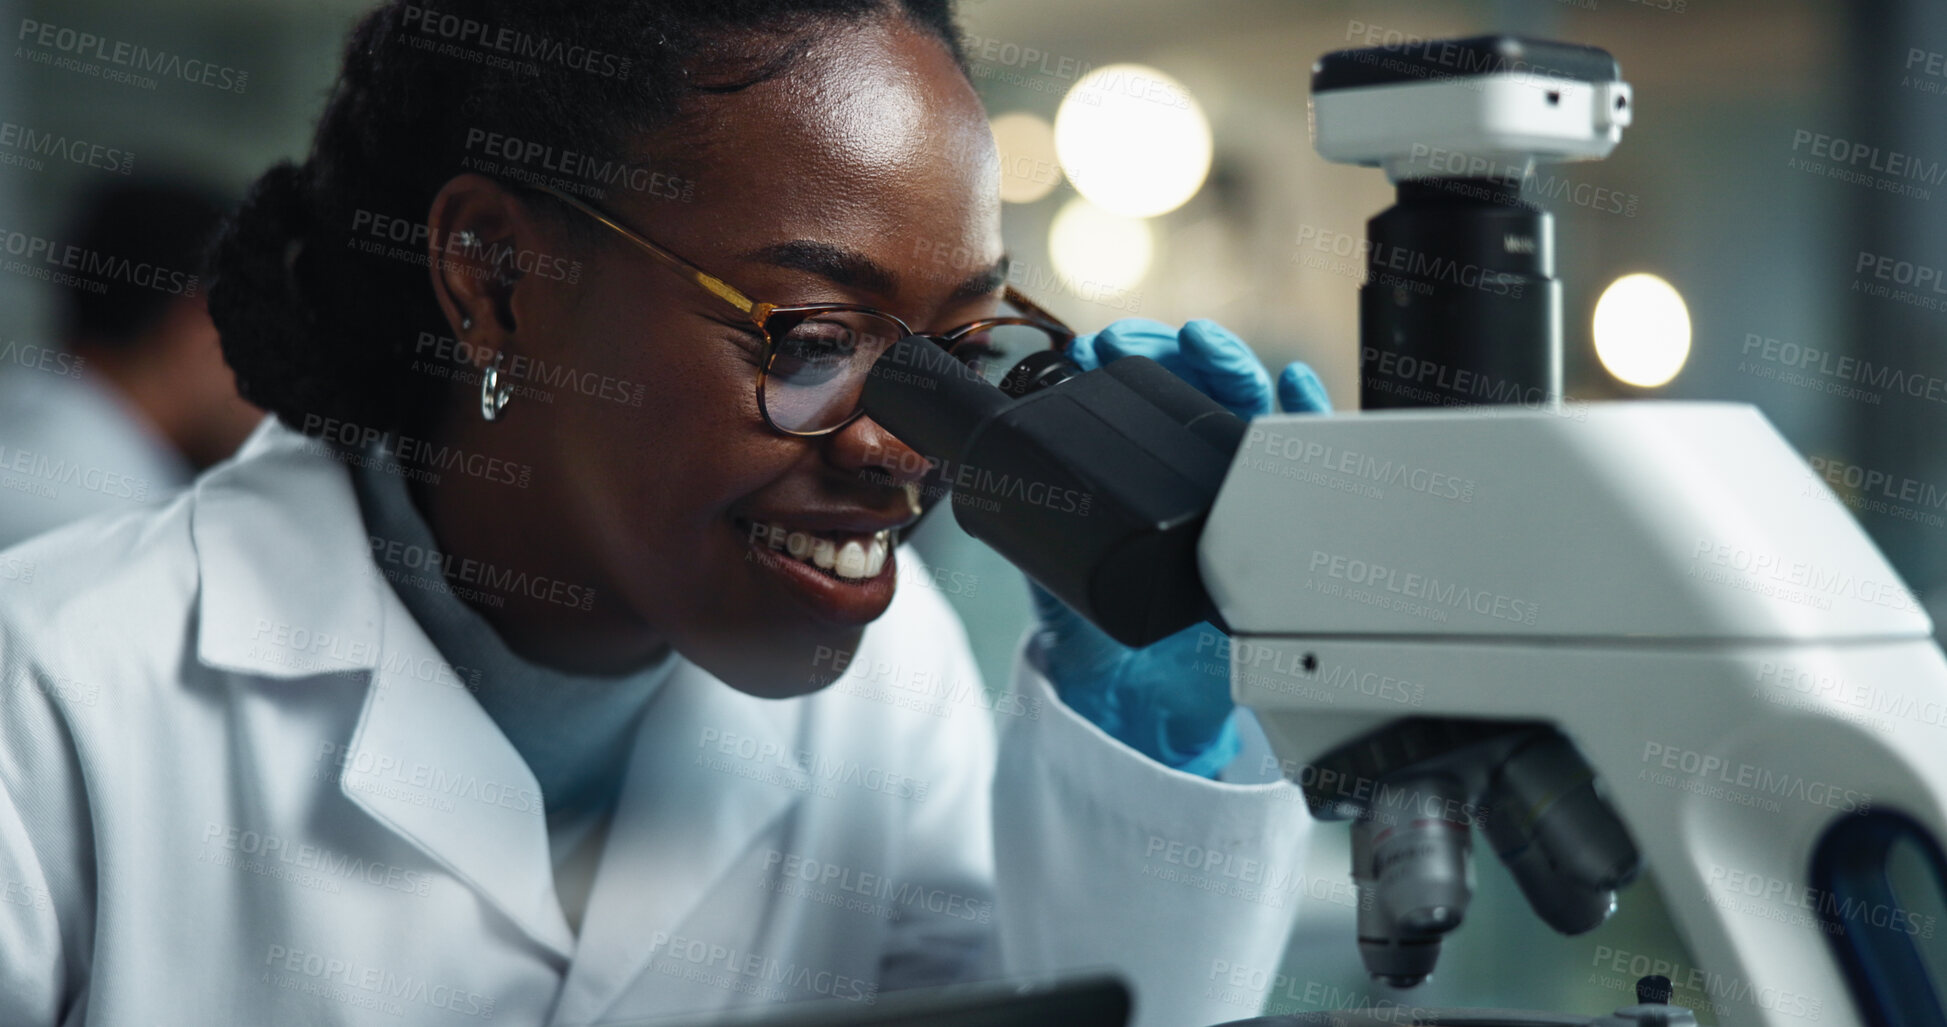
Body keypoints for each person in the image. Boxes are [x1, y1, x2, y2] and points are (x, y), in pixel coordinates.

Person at [0, 2, 1330, 1025]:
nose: (897, 451)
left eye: (961, 350)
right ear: (500, 278)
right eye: (811, 336)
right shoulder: (52, 696)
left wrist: (1156, 747)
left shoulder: (893, 677)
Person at [0, 177, 262, 549]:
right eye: (266, 331)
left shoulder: (29, 430)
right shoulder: (106, 528)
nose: (282, 384)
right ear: (200, 325)